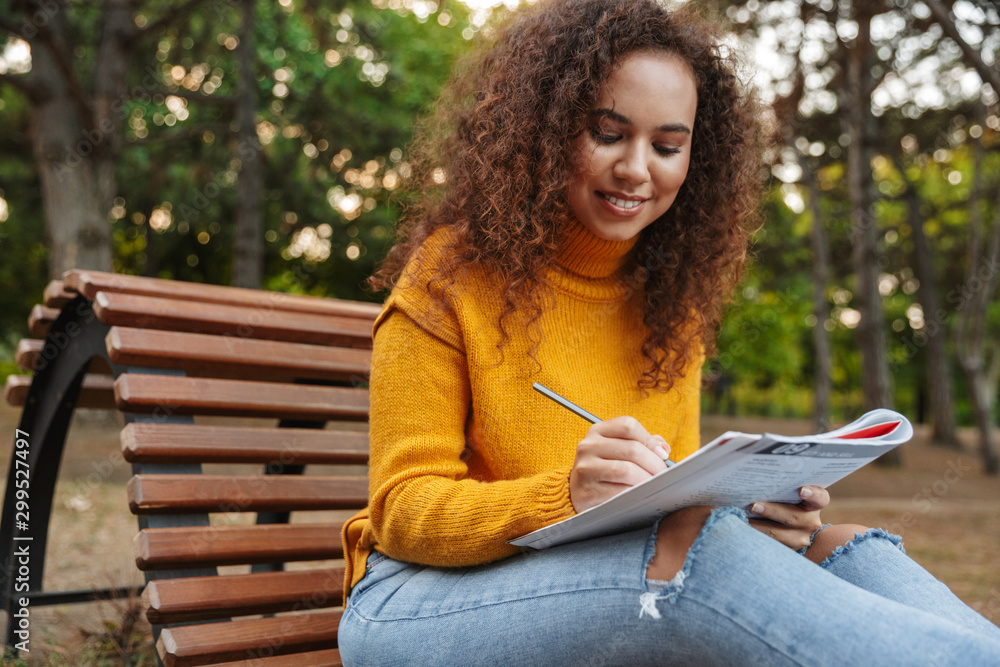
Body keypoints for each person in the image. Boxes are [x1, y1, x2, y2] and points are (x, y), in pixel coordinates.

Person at [338, 0, 1000, 664]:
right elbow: (400, 510)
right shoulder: (450, 276)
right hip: (414, 601)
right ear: (545, 129)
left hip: (606, 584)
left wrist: (764, 518)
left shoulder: (671, 306)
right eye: (607, 133)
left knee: (847, 547)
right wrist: (563, 496)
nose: (636, 169)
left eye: (666, 145)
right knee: (693, 557)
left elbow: (678, 507)